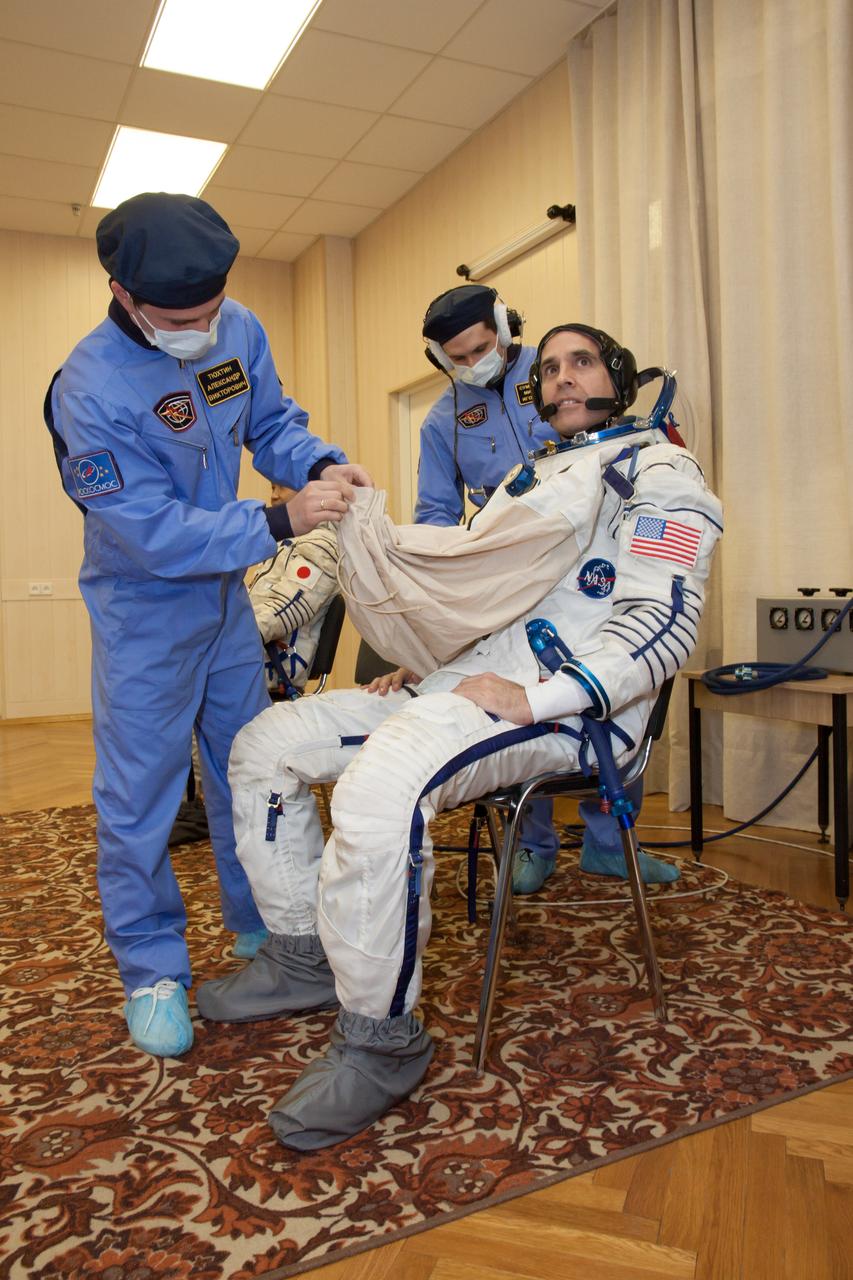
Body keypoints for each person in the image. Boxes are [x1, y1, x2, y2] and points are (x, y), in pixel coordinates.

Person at [196, 322, 723, 1149]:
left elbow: (662, 622)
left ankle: (381, 1038)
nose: (559, 379)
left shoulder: (657, 469)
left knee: (382, 787)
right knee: (268, 742)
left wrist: (539, 694)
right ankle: (301, 955)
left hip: (570, 714)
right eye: (548, 368)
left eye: (579, 362)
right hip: (470, 685)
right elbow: (488, 602)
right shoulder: (529, 477)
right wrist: (426, 663)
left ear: (618, 377)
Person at [45, 191, 370, 1058]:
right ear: (121, 291)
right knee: (140, 799)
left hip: (225, 602)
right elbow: (145, 530)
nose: (200, 328)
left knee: (248, 770)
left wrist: (321, 463)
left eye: (210, 311)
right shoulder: (89, 390)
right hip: (142, 611)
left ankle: (265, 927)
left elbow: (270, 422)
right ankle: (151, 968)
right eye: (177, 318)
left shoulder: (236, 329)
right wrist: (275, 521)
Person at [384, 285, 677, 894]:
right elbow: (436, 513)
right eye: (457, 358)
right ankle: (535, 845)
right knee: (515, 700)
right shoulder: (444, 421)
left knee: (615, 681)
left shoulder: (555, 369)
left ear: (504, 329)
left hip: (592, 562)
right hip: (510, 576)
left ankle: (611, 842)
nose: (473, 364)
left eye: (482, 349)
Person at [249, 484, 340, 698]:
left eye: (282, 487)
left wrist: (230, 638)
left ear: (311, 489)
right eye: (271, 487)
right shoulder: (282, 544)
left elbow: (286, 610)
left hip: (270, 672)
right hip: (249, 658)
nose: (273, 495)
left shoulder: (321, 547)